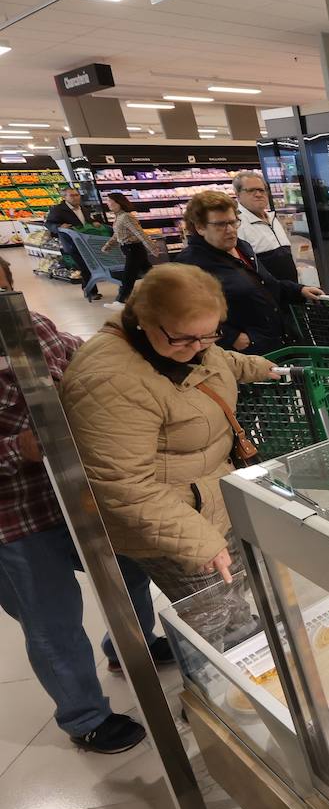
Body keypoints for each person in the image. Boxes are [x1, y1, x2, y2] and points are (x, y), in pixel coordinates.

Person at [60, 264, 281, 648]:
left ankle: (247, 648)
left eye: (208, 334)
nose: (198, 346)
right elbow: (122, 483)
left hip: (208, 495)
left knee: (232, 601)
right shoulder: (110, 378)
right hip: (167, 519)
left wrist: (260, 367)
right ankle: (221, 691)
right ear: (144, 319)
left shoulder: (189, 343)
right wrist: (198, 540)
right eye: (184, 338)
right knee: (212, 615)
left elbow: (217, 361)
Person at [0, 256, 163, 754]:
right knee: (52, 620)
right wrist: (17, 450)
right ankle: (85, 717)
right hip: (14, 517)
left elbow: (83, 357)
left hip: (74, 491)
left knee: (129, 570)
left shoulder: (34, 328)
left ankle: (129, 649)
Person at [174, 191, 323, 355]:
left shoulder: (242, 247)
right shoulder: (190, 264)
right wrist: (230, 336)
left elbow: (266, 285)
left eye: (233, 222)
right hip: (244, 356)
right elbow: (185, 314)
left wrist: (298, 290)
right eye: (220, 225)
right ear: (200, 227)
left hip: (276, 343)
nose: (230, 230)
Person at [100, 192, 162, 311]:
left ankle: (121, 300)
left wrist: (152, 248)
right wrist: (108, 246)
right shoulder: (119, 216)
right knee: (149, 273)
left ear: (119, 202)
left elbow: (139, 233)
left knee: (128, 276)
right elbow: (117, 234)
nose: (108, 204)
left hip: (133, 249)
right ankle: (166, 291)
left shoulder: (126, 217)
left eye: (110, 201)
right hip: (129, 248)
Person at [233, 171, 299, 284]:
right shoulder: (237, 224)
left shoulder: (272, 218)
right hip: (267, 294)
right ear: (238, 194)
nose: (258, 194)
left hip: (290, 290)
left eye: (261, 190)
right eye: (251, 190)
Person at [44, 188, 99, 300]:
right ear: (65, 197)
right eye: (72, 195)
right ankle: (91, 291)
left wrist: (94, 222)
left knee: (89, 267)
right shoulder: (58, 210)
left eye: (77, 195)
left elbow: (87, 220)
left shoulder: (83, 208)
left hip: (86, 242)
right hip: (72, 243)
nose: (75, 197)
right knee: (85, 267)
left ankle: (89, 289)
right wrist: (58, 227)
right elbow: (48, 223)